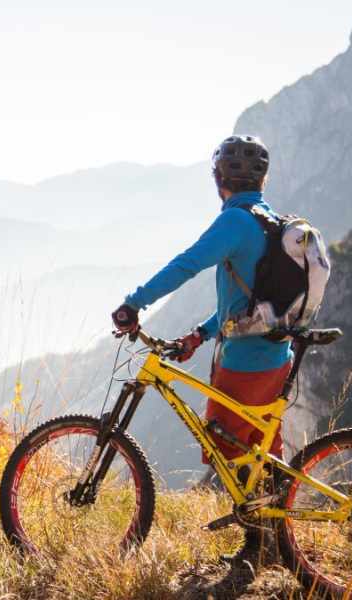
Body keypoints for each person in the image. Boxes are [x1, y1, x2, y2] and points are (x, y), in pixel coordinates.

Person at [110, 135, 289, 562]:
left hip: (244, 361)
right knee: (262, 454)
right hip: (275, 356)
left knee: (228, 447)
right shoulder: (268, 218)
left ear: (218, 179)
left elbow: (187, 264)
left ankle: (257, 546)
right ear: (262, 179)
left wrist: (133, 303)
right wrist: (200, 334)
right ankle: (277, 542)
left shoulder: (235, 222)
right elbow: (248, 302)